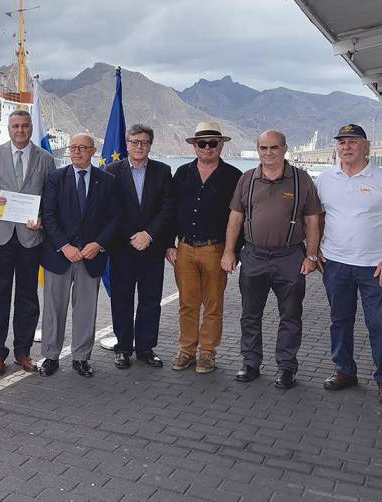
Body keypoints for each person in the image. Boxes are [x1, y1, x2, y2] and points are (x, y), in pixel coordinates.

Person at [221, 130, 322, 389]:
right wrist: (229, 251)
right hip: (254, 255)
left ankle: (286, 368)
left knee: (290, 315)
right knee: (250, 314)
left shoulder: (301, 180)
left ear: (285, 149)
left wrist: (311, 254)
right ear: (258, 149)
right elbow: (235, 217)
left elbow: (313, 220)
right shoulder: (247, 179)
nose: (268, 153)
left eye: (274, 148)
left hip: (290, 256)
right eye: (263, 148)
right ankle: (250, 363)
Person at [317, 124, 382, 404]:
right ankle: (344, 371)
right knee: (339, 321)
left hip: (374, 267)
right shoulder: (325, 179)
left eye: (353, 142)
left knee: (381, 324)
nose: (346, 146)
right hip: (336, 265)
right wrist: (314, 250)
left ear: (366, 147)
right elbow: (317, 217)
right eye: (342, 142)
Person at [0, 110, 56, 376]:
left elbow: (51, 197)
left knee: (27, 298)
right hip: (0, 236)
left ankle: (23, 352)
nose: (20, 131)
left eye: (25, 126)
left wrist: (40, 219)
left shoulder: (46, 159)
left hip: (30, 237)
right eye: (15, 126)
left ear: (30, 128)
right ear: (8, 128)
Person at [38, 134, 118, 377]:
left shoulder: (107, 181)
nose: (77, 152)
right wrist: (64, 246)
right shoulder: (55, 178)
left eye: (83, 148)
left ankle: (81, 357)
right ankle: (50, 357)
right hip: (59, 255)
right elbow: (48, 215)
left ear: (93, 151)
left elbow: (115, 218)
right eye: (73, 148)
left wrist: (98, 244)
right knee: (54, 309)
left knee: (85, 310)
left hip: (91, 256)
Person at [166, 122, 242, 374]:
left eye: (212, 143)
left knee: (213, 304)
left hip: (215, 249)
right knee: (187, 303)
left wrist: (234, 252)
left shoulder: (234, 176)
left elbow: (239, 216)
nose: (207, 147)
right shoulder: (181, 173)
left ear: (221, 145)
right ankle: (187, 350)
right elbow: (170, 210)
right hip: (185, 248)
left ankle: (207, 353)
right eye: (202, 143)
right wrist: (169, 244)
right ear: (194, 147)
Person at [105, 124, 173, 369]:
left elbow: (167, 209)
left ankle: (145, 348)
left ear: (150, 144)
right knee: (121, 299)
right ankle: (123, 347)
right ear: (127, 143)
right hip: (123, 249)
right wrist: (132, 236)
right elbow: (110, 211)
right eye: (134, 142)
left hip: (152, 249)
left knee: (150, 300)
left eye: (144, 142)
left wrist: (149, 234)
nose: (139, 146)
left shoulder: (163, 171)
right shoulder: (112, 171)